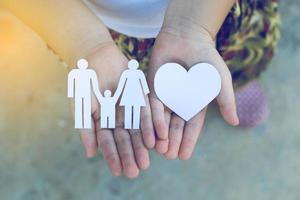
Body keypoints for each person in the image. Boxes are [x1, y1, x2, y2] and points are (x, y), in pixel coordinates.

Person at [0, 0, 280, 178]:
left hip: (214, 10)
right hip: (99, 28)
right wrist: (85, 44)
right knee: (143, 76)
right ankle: (206, 86)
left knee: (232, 57)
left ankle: (235, 79)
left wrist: (195, 26)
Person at [67, 59, 102, 129]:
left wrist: (97, 93)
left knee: (86, 107)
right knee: (79, 107)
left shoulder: (90, 72)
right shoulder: (74, 73)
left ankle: (86, 122)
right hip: (79, 92)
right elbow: (70, 83)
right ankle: (79, 123)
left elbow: (95, 84)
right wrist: (70, 94)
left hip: (86, 92)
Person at [115, 59, 150, 129]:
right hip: (128, 92)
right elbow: (121, 83)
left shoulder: (139, 73)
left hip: (137, 92)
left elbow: (143, 82)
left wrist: (146, 91)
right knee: (128, 108)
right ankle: (128, 124)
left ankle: (135, 125)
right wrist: (118, 92)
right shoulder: (126, 73)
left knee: (136, 108)